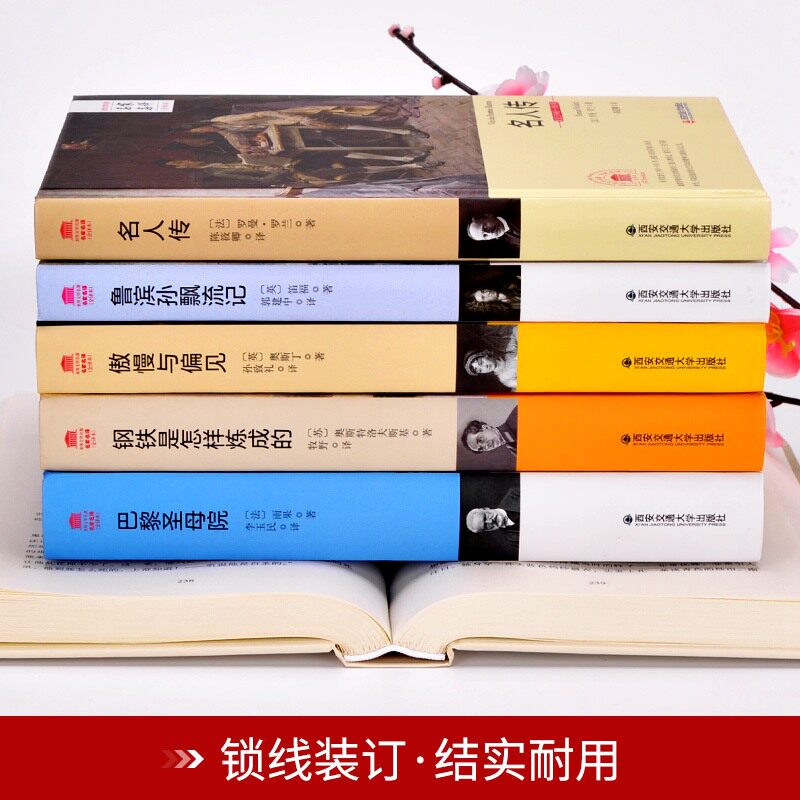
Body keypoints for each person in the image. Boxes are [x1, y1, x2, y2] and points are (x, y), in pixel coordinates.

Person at [462, 326, 518, 390]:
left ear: (485, 354)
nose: (484, 367)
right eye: (480, 370)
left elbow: (516, 329)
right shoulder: (505, 379)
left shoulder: (508, 349)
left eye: (481, 362)